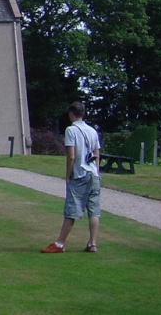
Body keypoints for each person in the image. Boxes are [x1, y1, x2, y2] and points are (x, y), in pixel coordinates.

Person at [41, 101, 101, 253]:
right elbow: (96, 155)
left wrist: (68, 175)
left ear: (71, 114)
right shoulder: (92, 131)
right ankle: (92, 243)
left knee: (71, 210)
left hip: (80, 174)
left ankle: (60, 244)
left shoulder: (71, 130)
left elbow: (71, 156)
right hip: (93, 173)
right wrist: (97, 172)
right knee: (93, 210)